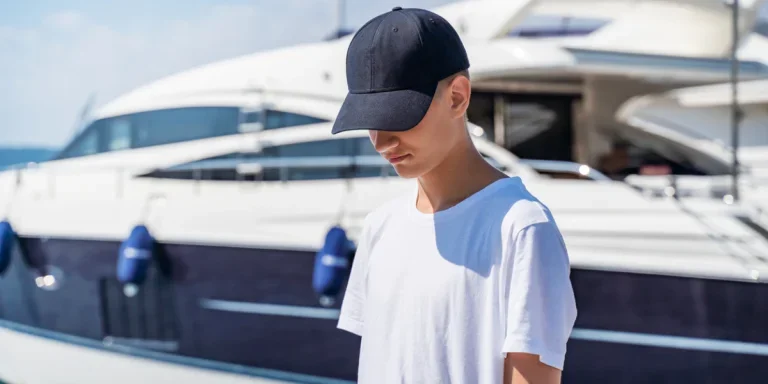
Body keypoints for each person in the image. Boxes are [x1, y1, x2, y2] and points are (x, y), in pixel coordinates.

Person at [332, 7, 577, 384]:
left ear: (457, 97)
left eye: (397, 115)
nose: (381, 142)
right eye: (369, 120)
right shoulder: (379, 227)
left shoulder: (521, 228)